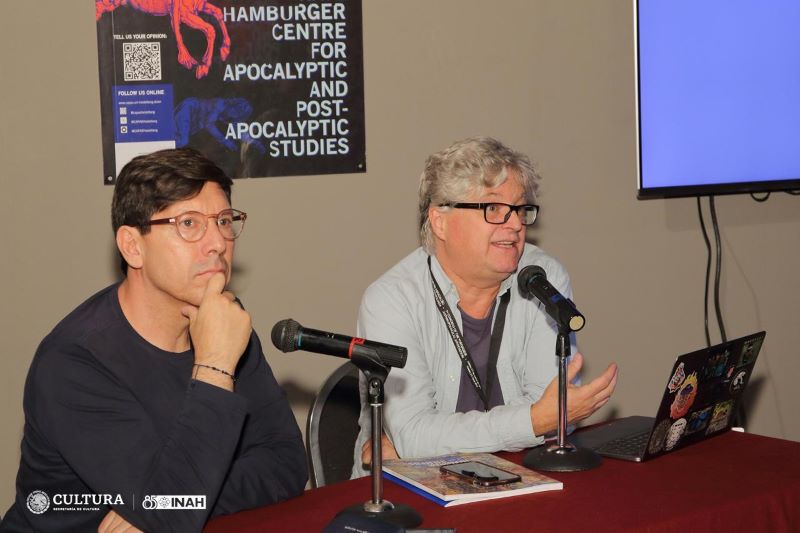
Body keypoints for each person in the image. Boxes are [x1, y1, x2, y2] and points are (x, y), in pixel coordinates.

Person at [1, 148, 307, 532]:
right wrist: (215, 365)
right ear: (132, 246)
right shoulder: (74, 362)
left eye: (224, 221)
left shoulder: (224, 318)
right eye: (189, 224)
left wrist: (173, 504)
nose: (218, 242)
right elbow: (170, 512)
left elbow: (287, 460)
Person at [352, 137, 618, 477]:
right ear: (440, 221)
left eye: (520, 209)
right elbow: (416, 435)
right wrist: (531, 421)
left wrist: (430, 441)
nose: (515, 224)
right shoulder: (391, 300)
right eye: (493, 209)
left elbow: (555, 416)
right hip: (409, 487)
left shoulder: (542, 278)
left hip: (519, 475)